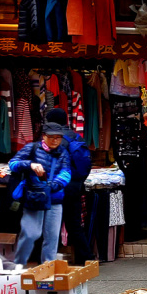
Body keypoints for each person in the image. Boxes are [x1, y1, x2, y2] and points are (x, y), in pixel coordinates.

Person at [9, 120, 71, 266]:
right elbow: (13, 164)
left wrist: (54, 186)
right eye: (51, 137)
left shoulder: (63, 152)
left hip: (55, 199)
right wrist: (29, 164)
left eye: (58, 137)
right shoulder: (32, 148)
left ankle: (48, 268)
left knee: (53, 237)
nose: (55, 140)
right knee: (31, 234)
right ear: (43, 136)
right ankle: (18, 266)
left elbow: (66, 172)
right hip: (34, 197)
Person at [44, 108, 93, 263]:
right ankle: (85, 258)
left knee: (50, 226)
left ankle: (47, 261)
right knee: (74, 226)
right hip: (75, 188)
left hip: (59, 189)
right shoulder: (76, 137)